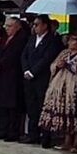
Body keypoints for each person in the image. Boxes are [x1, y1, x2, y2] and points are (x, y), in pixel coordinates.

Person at [39, 31, 77, 152]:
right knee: (63, 112)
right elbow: (53, 65)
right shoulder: (64, 52)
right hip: (59, 85)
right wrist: (57, 65)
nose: (69, 43)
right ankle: (66, 140)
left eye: (72, 40)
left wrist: (69, 66)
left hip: (74, 85)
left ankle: (76, 142)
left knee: (73, 113)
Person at [20, 14, 63, 146]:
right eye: (34, 24)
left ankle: (45, 135)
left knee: (42, 106)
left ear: (45, 25)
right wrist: (26, 70)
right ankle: (33, 134)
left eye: (37, 24)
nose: (35, 27)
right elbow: (24, 55)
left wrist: (33, 72)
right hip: (29, 78)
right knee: (31, 106)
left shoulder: (52, 40)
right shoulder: (32, 38)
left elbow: (47, 58)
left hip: (42, 78)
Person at [0, 17, 29, 141]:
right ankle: (2, 129)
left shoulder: (21, 39)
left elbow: (14, 56)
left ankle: (13, 132)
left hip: (13, 76)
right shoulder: (4, 39)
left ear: (17, 27)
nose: (6, 28)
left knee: (12, 106)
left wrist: (0, 64)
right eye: (6, 26)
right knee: (2, 105)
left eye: (9, 26)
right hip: (1, 76)